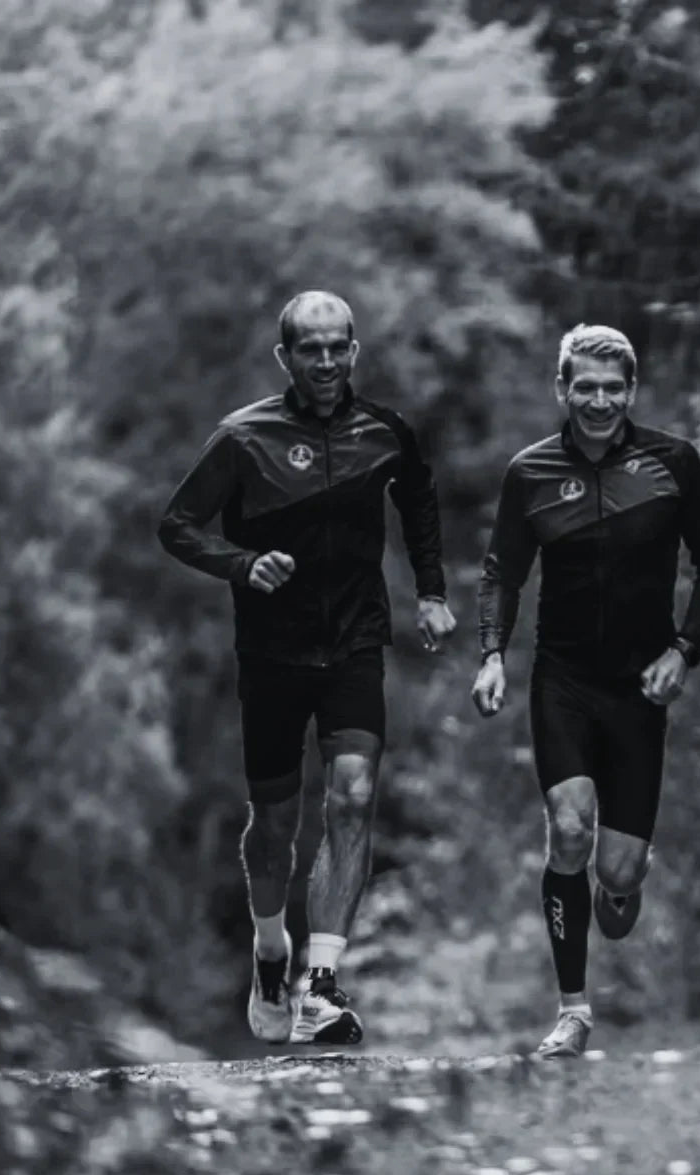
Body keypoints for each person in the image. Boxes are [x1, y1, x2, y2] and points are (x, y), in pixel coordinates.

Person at [159, 291, 455, 1046]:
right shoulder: (243, 437)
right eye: (309, 349)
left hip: (355, 641)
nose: (325, 361)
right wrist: (242, 563)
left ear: (355, 351)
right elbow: (178, 524)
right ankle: (270, 950)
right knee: (274, 827)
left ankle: (320, 986)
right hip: (271, 653)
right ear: (284, 357)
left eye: (337, 347)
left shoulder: (385, 432)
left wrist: (430, 591)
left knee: (353, 797)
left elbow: (419, 500)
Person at [472, 324, 700, 1058]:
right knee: (570, 828)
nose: (597, 401)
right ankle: (573, 1010)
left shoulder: (672, 463)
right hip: (563, 678)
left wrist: (685, 650)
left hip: (640, 689)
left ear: (631, 391)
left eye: (611, 388)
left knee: (616, 875)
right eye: (583, 387)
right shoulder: (530, 472)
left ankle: (623, 884)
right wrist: (492, 655)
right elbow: (503, 572)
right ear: (562, 389)